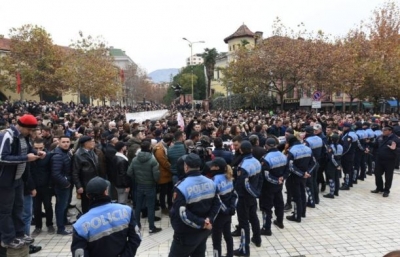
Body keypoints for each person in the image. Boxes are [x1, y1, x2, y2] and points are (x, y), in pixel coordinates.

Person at [0, 114, 44, 249]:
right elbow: (2, 157)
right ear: (22, 127)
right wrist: (26, 158)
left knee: (18, 208)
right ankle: (8, 238)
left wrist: (37, 153)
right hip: (5, 181)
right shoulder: (7, 135)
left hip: (18, 179)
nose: (31, 133)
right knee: (5, 211)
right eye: (30, 130)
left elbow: (27, 150)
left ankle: (20, 234)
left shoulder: (23, 137)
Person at [71, 177, 142, 257]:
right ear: (106, 192)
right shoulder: (126, 210)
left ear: (88, 196)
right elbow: (136, 238)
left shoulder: (80, 225)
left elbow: (79, 253)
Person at [169, 153, 221, 257]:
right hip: (204, 231)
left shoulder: (181, 187)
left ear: (186, 166)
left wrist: (202, 223)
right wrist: (209, 220)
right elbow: (217, 204)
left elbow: (182, 214)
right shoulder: (211, 183)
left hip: (186, 235)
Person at [233, 141, 262, 256]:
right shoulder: (257, 161)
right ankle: (257, 238)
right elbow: (260, 179)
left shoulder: (243, 165)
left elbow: (242, 184)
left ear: (241, 150)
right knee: (254, 217)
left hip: (244, 196)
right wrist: (257, 192)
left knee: (244, 222)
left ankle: (244, 249)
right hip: (253, 195)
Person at [128, 140, 161, 233]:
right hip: (150, 186)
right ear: (150, 148)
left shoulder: (135, 159)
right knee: (150, 206)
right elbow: (156, 176)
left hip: (139, 185)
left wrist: (137, 178)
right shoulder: (152, 160)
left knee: (138, 206)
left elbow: (129, 172)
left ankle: (137, 225)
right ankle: (151, 227)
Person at [209, 158, 237, 257]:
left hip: (219, 215)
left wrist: (225, 210)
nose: (210, 167)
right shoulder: (228, 177)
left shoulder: (214, 180)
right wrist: (232, 208)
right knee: (228, 235)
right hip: (228, 213)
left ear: (216, 167)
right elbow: (233, 194)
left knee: (216, 240)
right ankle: (230, 254)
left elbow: (217, 200)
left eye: (212, 165)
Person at [259, 137, 287, 236]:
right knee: (279, 203)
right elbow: (288, 170)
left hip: (268, 186)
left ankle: (267, 228)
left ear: (266, 146)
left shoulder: (265, 158)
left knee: (267, 207)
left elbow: (265, 175)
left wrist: (275, 181)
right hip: (279, 185)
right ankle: (280, 221)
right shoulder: (283, 155)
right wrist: (282, 178)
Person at [285, 135, 316, 223]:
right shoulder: (307, 148)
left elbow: (290, 166)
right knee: (303, 193)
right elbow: (313, 162)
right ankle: (302, 212)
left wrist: (302, 174)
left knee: (296, 196)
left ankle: (296, 216)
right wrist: (307, 172)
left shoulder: (292, 151)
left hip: (295, 176)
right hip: (305, 175)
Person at [51, 136, 73, 235]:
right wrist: (66, 183)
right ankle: (61, 228)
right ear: (59, 142)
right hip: (61, 185)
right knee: (61, 206)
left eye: (67, 142)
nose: (66, 144)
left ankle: (64, 221)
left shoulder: (66, 153)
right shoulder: (58, 155)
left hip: (65, 183)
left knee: (64, 206)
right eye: (63, 142)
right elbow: (55, 173)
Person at [72, 136, 100, 214]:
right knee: (86, 204)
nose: (93, 143)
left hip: (94, 181)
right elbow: (75, 172)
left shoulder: (91, 151)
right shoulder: (78, 155)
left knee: (94, 202)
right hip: (85, 183)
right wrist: (79, 186)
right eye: (92, 141)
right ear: (86, 143)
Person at [370, 125, 400, 197]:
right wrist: (369, 142)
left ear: (390, 131)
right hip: (379, 159)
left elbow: (399, 149)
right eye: (383, 130)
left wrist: (394, 149)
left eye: (385, 130)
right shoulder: (380, 137)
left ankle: (386, 190)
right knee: (377, 174)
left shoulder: (395, 139)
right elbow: (375, 145)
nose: (383, 131)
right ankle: (379, 187)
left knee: (388, 176)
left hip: (389, 160)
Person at [153, 133, 173, 214]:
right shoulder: (159, 149)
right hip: (163, 174)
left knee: (169, 191)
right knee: (163, 192)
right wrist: (171, 168)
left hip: (167, 174)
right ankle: (164, 208)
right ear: (169, 141)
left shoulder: (163, 146)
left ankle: (170, 205)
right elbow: (163, 162)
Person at [323, 133, 343, 199]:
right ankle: (336, 192)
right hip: (339, 162)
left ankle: (331, 193)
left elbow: (331, 157)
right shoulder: (341, 146)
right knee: (337, 178)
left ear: (331, 139)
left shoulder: (330, 147)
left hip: (332, 164)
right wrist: (338, 165)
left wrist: (336, 165)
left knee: (331, 178)